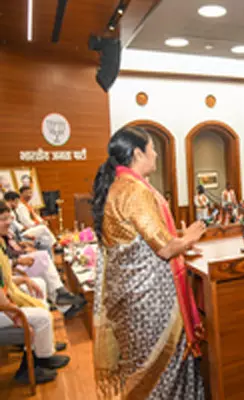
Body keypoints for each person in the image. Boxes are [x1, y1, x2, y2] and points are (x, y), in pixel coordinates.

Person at [91, 126, 206, 399]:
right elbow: (165, 249)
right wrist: (188, 237)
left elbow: (142, 241)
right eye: (152, 148)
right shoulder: (134, 190)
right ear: (138, 152)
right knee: (160, 370)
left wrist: (178, 237)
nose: (155, 154)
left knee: (141, 370)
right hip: (150, 304)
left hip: (132, 301)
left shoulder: (120, 186)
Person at [0, 200, 70, 384]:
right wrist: (14, 312)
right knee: (42, 317)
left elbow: (4, 279)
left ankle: (44, 353)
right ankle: (33, 365)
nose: (7, 222)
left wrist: (23, 280)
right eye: (2, 219)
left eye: (8, 218)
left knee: (38, 287)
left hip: (4, 297)